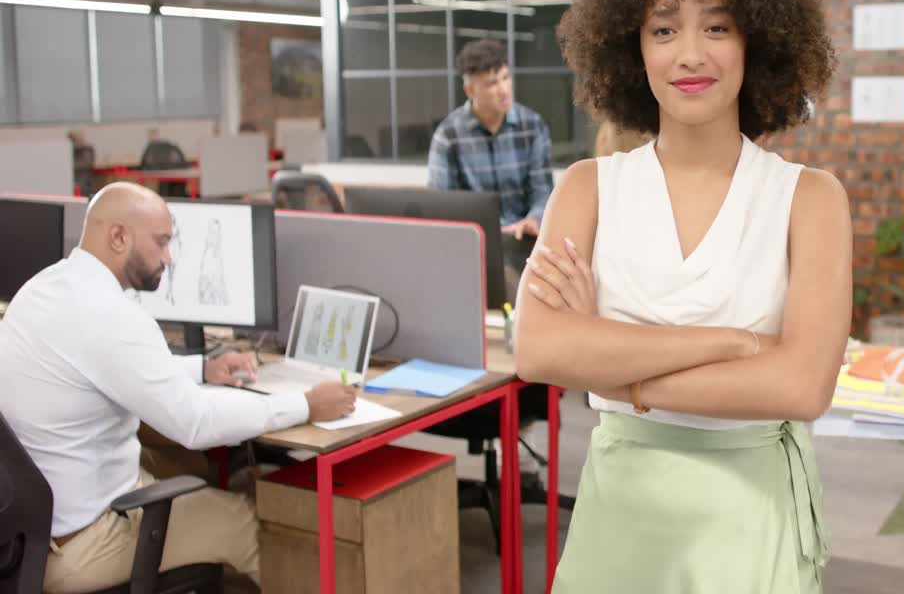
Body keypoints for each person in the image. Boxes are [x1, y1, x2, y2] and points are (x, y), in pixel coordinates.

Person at [514, 0, 851, 593]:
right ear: (632, 48)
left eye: (717, 27)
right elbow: (539, 352)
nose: (689, 53)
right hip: (621, 513)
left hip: (748, 513)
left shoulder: (809, 198)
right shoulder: (589, 189)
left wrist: (611, 371)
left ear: (758, 40)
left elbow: (801, 387)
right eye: (664, 29)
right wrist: (733, 343)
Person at [0, 182, 356, 593]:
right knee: (246, 519)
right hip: (81, 547)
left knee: (194, 470)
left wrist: (204, 368)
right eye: (162, 242)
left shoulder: (46, 287)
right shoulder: (113, 316)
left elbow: (112, 368)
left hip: (27, 537)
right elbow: (196, 422)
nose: (169, 258)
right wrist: (306, 404)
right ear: (118, 236)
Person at [427, 38, 554, 243]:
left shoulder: (533, 126)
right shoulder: (448, 136)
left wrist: (533, 219)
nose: (503, 89)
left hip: (523, 239)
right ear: (470, 90)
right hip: (472, 242)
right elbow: (440, 204)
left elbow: (543, 191)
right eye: (492, 83)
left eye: (505, 78)